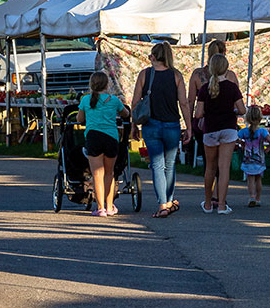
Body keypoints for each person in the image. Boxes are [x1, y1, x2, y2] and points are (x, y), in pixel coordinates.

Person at [131, 42, 192, 219]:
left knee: (157, 165)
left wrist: (134, 125)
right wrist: (188, 127)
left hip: (151, 125)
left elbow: (135, 102)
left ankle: (162, 205)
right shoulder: (176, 75)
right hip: (172, 125)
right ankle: (169, 200)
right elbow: (184, 103)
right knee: (170, 165)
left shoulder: (145, 74)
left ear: (153, 56)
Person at [195, 53, 246, 215]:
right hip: (229, 128)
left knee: (210, 167)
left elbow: (198, 114)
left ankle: (208, 203)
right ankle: (222, 205)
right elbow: (243, 110)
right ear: (226, 68)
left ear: (211, 69)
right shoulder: (232, 87)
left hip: (210, 129)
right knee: (224, 168)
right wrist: (233, 110)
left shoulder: (204, 89)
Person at [187, 40, 239, 193]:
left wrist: (189, 124)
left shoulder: (197, 74)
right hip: (227, 123)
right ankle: (220, 197)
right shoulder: (230, 76)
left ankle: (208, 198)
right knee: (224, 165)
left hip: (204, 124)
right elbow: (238, 104)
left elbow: (190, 101)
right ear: (224, 55)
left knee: (209, 163)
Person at [78, 72, 130, 217]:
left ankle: (100, 207)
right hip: (111, 138)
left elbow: (80, 118)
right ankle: (109, 206)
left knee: (96, 174)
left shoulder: (86, 100)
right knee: (109, 173)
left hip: (93, 137)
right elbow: (125, 114)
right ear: (107, 85)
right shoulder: (114, 100)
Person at [237, 107, 270, 207]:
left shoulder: (244, 132)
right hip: (259, 159)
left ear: (247, 118)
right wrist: (268, 147)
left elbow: (235, 138)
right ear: (260, 118)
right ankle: (258, 198)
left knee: (250, 179)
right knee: (258, 179)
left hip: (248, 159)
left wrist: (242, 144)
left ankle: (252, 196)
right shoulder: (262, 131)